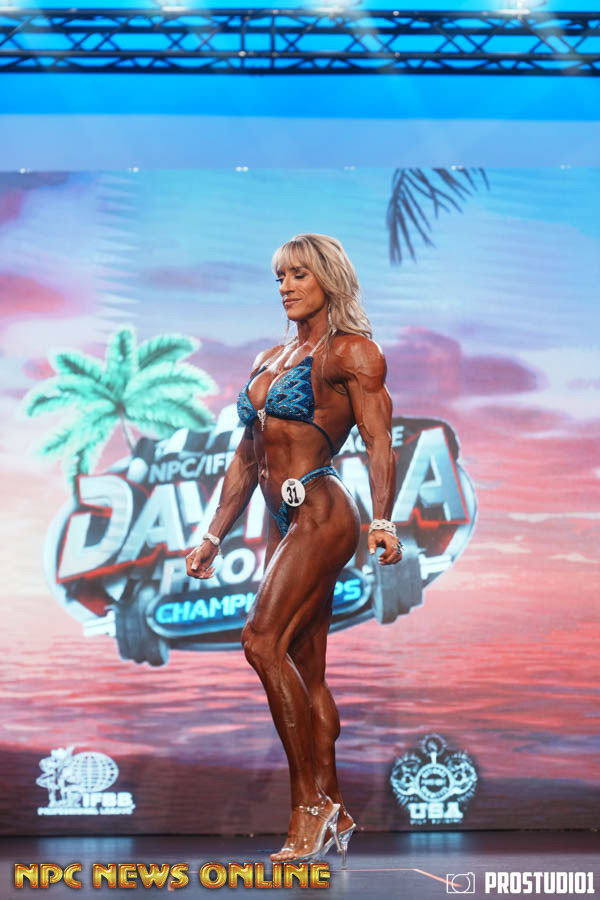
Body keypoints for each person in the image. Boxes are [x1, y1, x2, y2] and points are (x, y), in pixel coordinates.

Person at [186, 233, 402, 865]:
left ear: (328, 279)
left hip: (322, 511)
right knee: (307, 670)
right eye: (280, 276)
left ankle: (309, 806)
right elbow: (246, 457)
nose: (285, 286)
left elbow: (379, 438)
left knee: (260, 641)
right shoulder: (271, 356)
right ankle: (335, 805)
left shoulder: (352, 352)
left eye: (299, 275)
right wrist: (212, 534)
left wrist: (383, 520)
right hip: (280, 517)